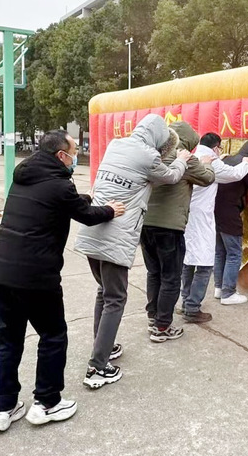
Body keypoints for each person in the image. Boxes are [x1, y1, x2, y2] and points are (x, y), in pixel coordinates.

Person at [0, 130, 125, 431]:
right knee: (53, 335)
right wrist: (110, 210)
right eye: (74, 153)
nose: (76, 158)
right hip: (37, 276)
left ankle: (3, 407)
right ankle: (47, 403)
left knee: (8, 342)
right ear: (61, 155)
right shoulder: (61, 185)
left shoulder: (24, 176)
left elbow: (66, 203)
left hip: (2, 272)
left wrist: (85, 198)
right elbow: (86, 215)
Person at [74, 114, 190, 388]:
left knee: (104, 292)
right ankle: (97, 367)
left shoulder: (116, 144)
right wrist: (183, 160)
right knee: (116, 299)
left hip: (93, 230)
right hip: (115, 237)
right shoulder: (149, 157)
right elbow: (172, 176)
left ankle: (104, 346)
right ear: (159, 138)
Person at [141, 121, 215, 341]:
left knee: (154, 273)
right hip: (169, 228)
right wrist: (207, 163)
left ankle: (153, 316)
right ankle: (163, 327)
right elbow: (207, 178)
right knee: (171, 278)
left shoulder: (154, 155)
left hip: (145, 225)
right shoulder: (185, 157)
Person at [180, 133, 248, 322]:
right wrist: (246, 163)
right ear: (216, 147)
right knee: (205, 264)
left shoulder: (193, 158)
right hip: (202, 219)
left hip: (187, 216)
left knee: (188, 260)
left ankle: (186, 300)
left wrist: (221, 159)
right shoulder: (212, 162)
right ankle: (193, 307)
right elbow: (234, 174)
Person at [213, 141, 248, 304]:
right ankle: (228, 293)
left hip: (215, 212)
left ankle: (219, 288)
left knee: (220, 251)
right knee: (234, 253)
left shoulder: (225, 160)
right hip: (230, 214)